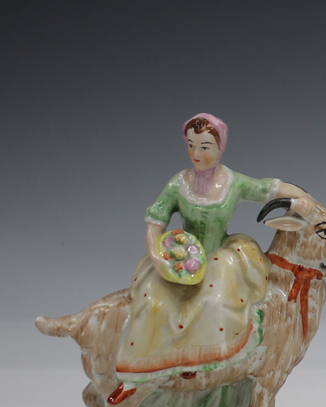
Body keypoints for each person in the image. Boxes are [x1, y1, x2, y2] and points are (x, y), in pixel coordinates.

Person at [115, 114, 315, 381]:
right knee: (152, 301)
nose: (196, 154)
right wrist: (158, 257)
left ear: (221, 148)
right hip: (183, 257)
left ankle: (203, 363)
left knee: (216, 303)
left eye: (205, 147)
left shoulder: (233, 183)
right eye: (191, 145)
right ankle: (153, 368)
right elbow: (155, 221)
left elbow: (268, 188)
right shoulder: (179, 183)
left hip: (221, 257)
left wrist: (303, 197)